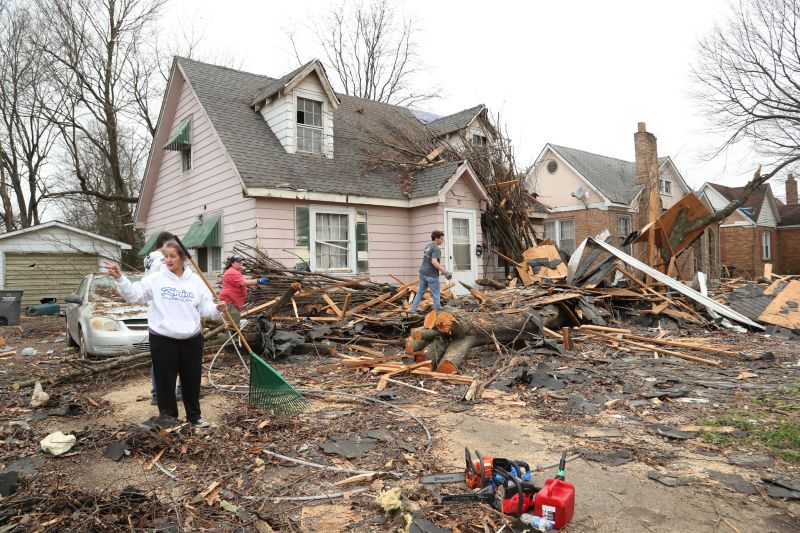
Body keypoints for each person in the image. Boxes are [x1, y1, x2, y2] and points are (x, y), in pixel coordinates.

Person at [107, 240, 225, 428]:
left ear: (183, 258)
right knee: (165, 381)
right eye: (165, 257)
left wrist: (217, 308)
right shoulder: (155, 279)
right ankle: (169, 418)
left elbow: (205, 308)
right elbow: (135, 295)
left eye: (172, 256)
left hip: (191, 339)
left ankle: (194, 417)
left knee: (192, 380)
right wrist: (121, 278)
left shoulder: (195, 281)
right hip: (163, 338)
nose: (168, 260)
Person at [143, 231, 183, 405]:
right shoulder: (161, 259)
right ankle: (161, 393)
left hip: (155, 311)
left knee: (161, 355)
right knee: (172, 353)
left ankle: (158, 393)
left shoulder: (148, 258)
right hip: (166, 312)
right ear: (165, 244)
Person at [409, 230, 452, 313]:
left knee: (420, 292)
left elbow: (428, 261)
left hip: (423, 272)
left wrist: (440, 271)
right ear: (436, 238)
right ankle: (438, 312)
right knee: (436, 294)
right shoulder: (436, 248)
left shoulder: (428, 246)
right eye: (441, 238)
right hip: (431, 275)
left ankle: (412, 310)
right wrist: (445, 271)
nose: (443, 240)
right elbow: (434, 262)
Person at [218, 255, 269, 324]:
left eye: (241, 261)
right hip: (229, 301)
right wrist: (259, 280)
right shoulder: (232, 272)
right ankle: (230, 334)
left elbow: (242, 283)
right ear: (232, 263)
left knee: (233, 321)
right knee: (234, 323)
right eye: (239, 261)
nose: (241, 263)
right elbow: (244, 282)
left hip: (231, 300)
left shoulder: (234, 271)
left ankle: (229, 333)